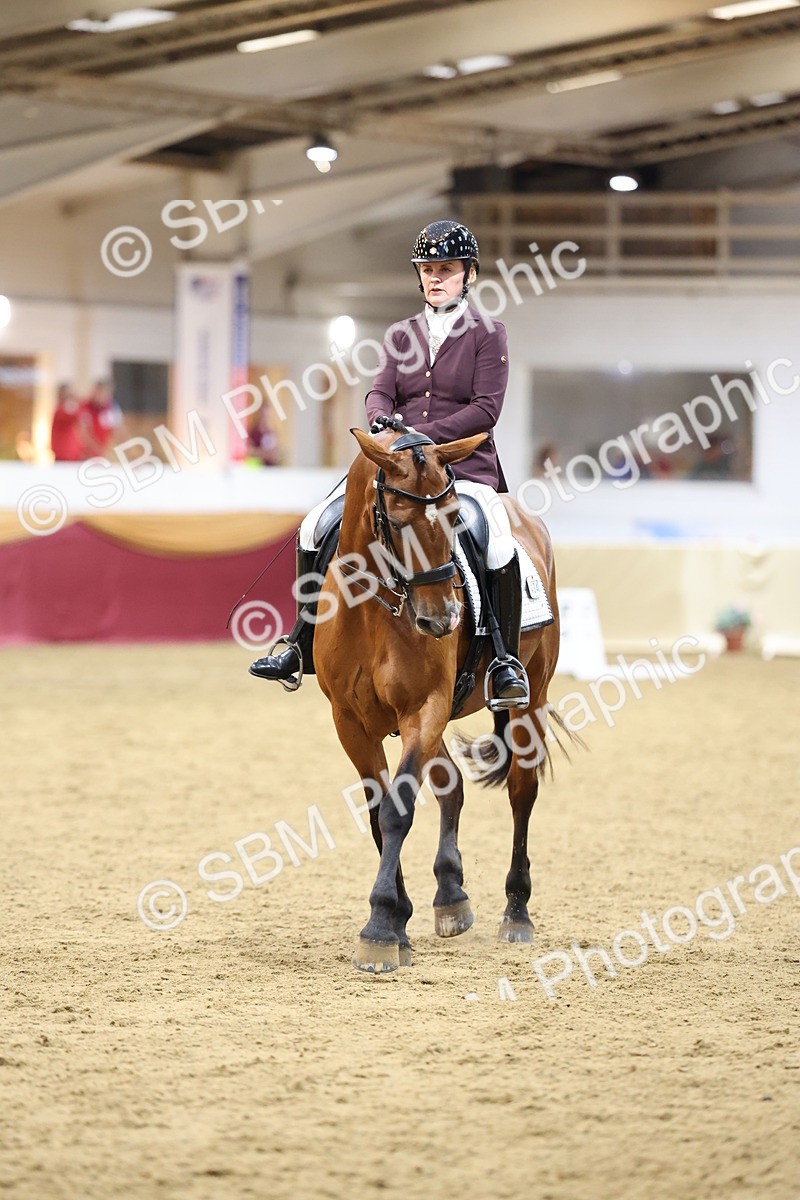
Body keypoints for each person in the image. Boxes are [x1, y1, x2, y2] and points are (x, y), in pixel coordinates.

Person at [249, 219, 531, 708]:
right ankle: (300, 642)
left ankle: (504, 659)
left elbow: (486, 409)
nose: (436, 278)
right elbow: (379, 391)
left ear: (468, 274)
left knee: (498, 539)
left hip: (461, 466)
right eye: (428, 269)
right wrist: (382, 422)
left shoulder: (489, 334)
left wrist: (420, 440)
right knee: (316, 525)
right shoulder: (401, 334)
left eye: (447, 269)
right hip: (398, 471)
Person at [50, 383, 89, 462]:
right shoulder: (60, 411)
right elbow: (78, 416)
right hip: (63, 455)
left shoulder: (66, 409)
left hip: (72, 455)